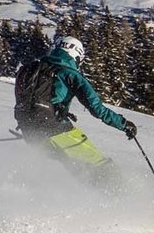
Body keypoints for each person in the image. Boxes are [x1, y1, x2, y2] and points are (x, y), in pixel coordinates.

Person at [12, 35, 136, 179]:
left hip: (28, 129)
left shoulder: (31, 68)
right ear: (76, 55)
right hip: (55, 128)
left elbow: (25, 98)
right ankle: (123, 197)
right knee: (99, 165)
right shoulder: (70, 74)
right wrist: (123, 124)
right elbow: (96, 108)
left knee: (74, 168)